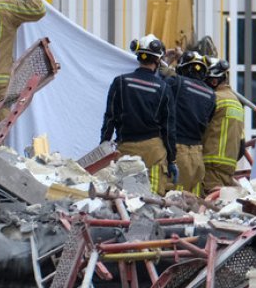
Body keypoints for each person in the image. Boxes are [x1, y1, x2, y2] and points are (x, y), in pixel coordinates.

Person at [100, 35, 177, 194]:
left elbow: (110, 118)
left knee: (127, 198)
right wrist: (171, 160)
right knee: (153, 200)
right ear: (158, 60)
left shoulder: (120, 82)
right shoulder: (163, 88)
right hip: (154, 152)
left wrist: (104, 147)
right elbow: (168, 129)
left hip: (126, 149)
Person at [167, 51, 216, 195]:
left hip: (178, 152)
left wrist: (165, 64)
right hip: (197, 156)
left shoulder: (177, 83)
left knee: (173, 199)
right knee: (192, 202)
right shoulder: (211, 95)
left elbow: (158, 89)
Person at [202, 58, 245, 191]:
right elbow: (242, 145)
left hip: (211, 167)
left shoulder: (214, 99)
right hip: (228, 168)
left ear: (214, 81)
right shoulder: (237, 103)